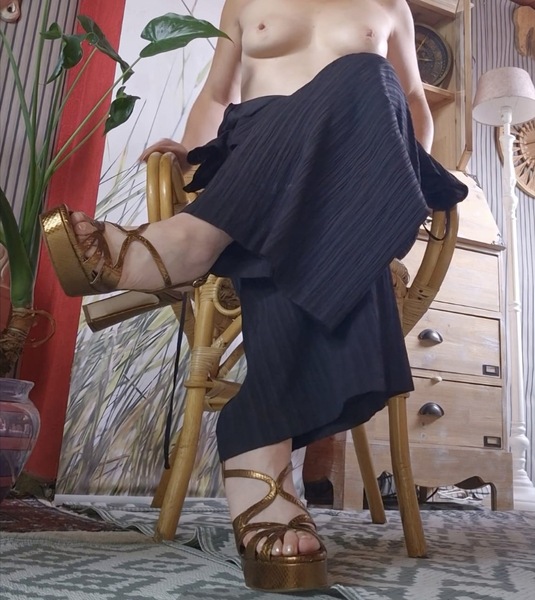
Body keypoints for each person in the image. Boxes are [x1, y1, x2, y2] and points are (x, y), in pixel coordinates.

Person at [41, 0, 468, 592]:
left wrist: (396, 181)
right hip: (257, 164)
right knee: (321, 214)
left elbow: (415, 102)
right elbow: (219, 95)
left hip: (353, 168)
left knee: (368, 76)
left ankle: (189, 244)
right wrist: (189, 164)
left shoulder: (389, 4)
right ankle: (257, 448)